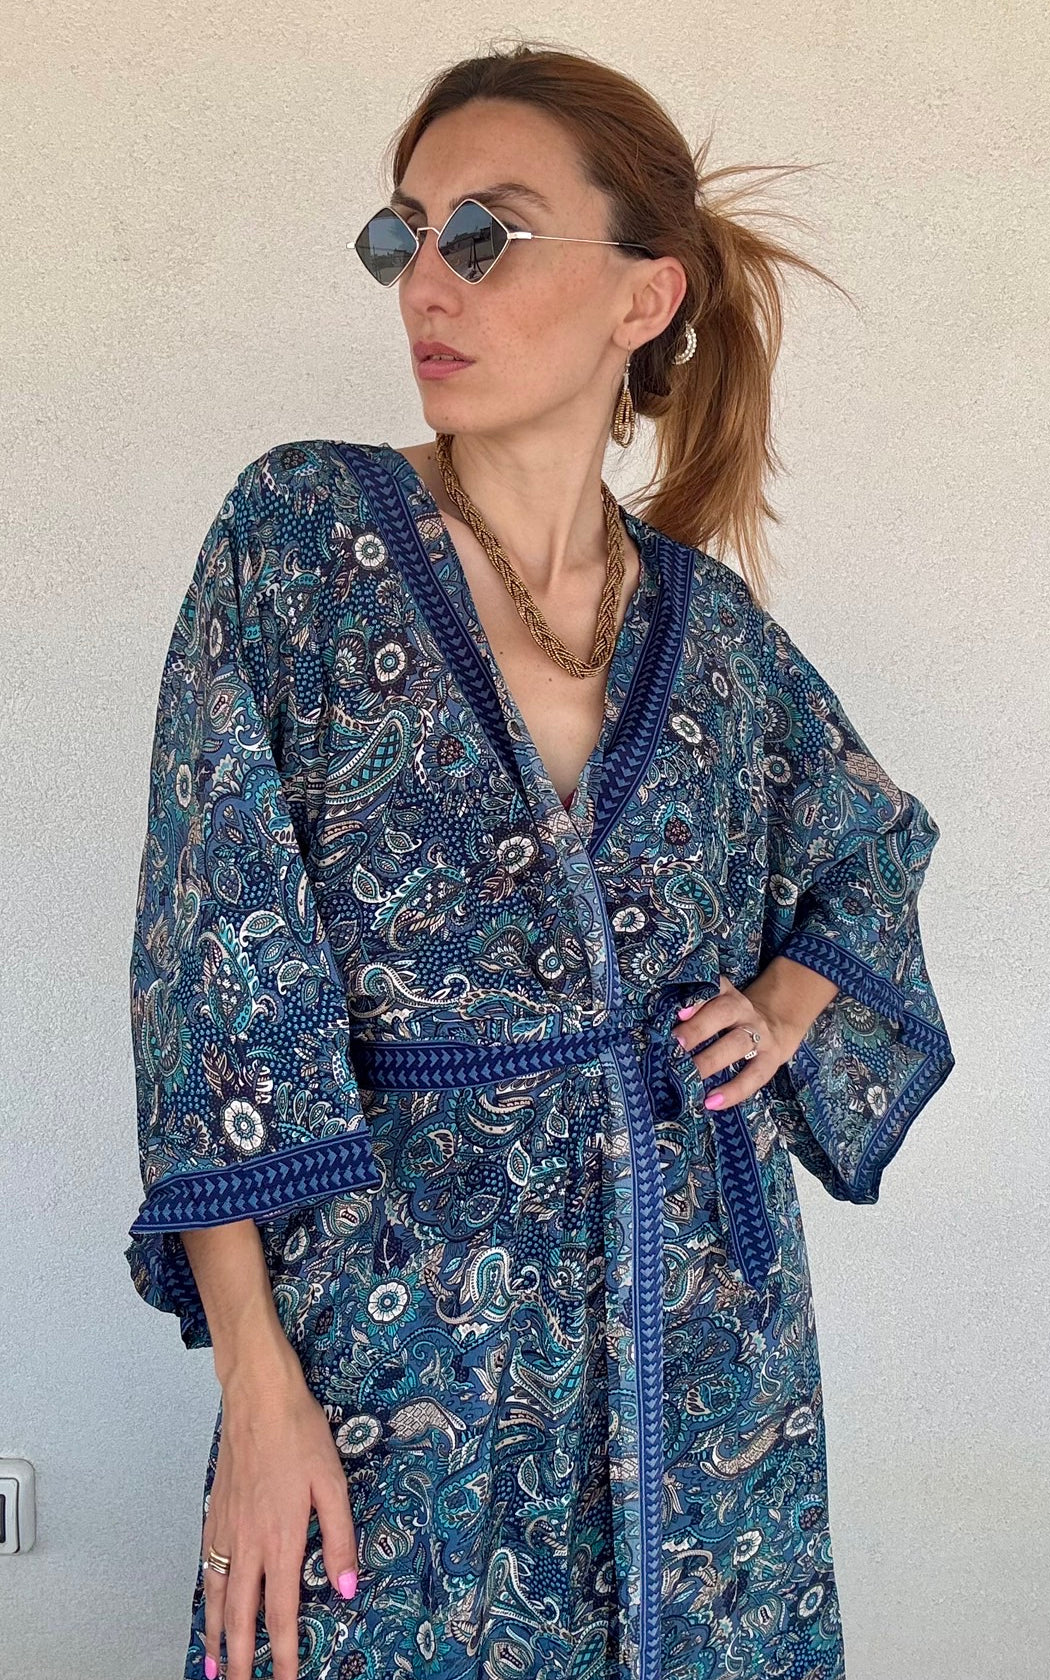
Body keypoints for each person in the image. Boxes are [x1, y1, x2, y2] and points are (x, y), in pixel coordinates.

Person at [124, 42, 955, 1680]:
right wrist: (258, 1391)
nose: (424, 281)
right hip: (390, 1339)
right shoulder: (300, 539)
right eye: (401, 235)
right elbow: (211, 971)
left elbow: (872, 844)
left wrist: (786, 1004)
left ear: (645, 296)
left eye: (483, 235)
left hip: (700, 1331)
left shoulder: (712, 637)